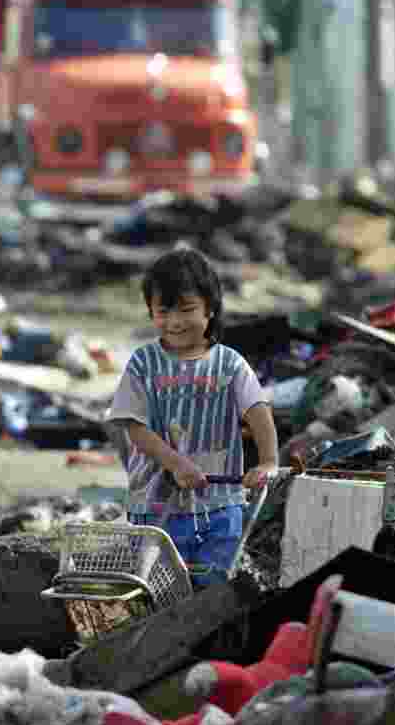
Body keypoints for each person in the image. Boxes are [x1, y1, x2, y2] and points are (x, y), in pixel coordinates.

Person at [105, 248, 278, 585]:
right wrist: (176, 464)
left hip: (221, 506)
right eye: (163, 311)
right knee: (160, 590)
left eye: (186, 310)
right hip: (156, 506)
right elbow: (135, 428)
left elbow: (258, 412)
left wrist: (269, 462)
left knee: (211, 588)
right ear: (150, 311)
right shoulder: (143, 363)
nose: (175, 322)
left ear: (210, 309)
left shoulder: (229, 363)